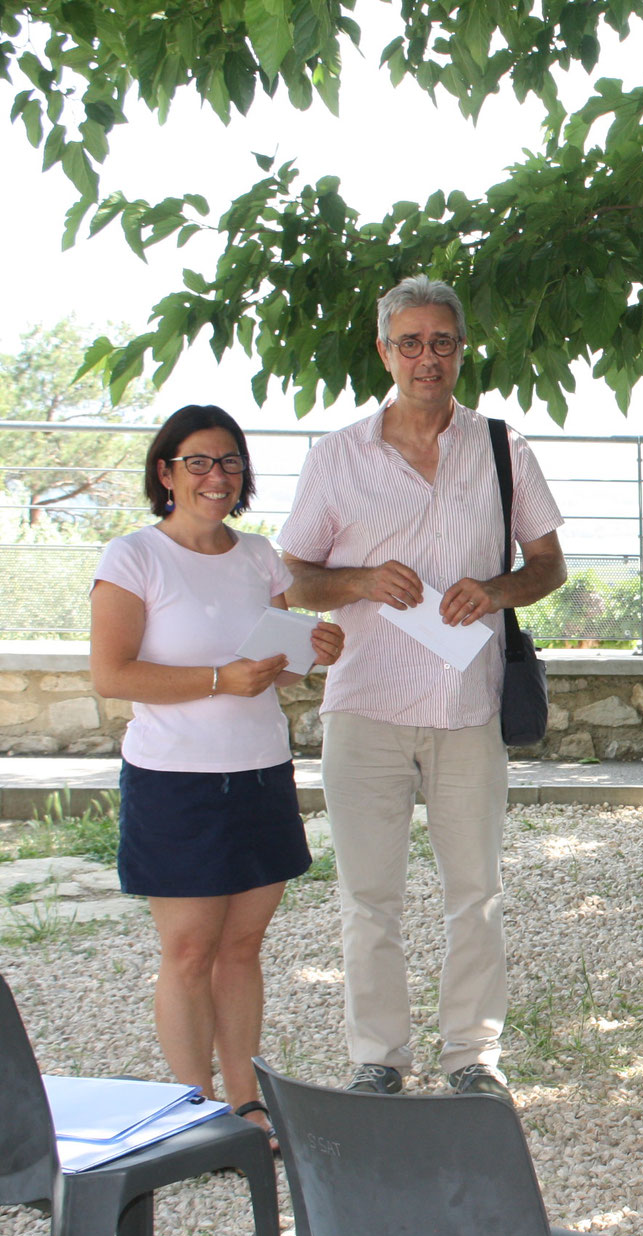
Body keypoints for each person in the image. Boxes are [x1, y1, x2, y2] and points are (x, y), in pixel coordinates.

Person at [279, 276, 566, 1101]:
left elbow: (548, 563)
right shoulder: (337, 456)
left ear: (461, 350)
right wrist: (363, 579)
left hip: (466, 708)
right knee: (369, 896)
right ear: (384, 351)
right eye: (410, 342)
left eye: (441, 341)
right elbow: (294, 577)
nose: (426, 357)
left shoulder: (503, 448)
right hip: (364, 705)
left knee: (475, 893)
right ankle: (378, 1054)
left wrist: (496, 589)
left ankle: (472, 1056)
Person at [89, 405, 345, 1145]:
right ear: (165, 472)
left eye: (229, 461)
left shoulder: (262, 556)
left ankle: (245, 1099)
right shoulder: (133, 556)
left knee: (242, 947)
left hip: (260, 772)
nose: (216, 476)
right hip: (177, 782)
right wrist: (217, 680)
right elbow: (111, 673)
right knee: (190, 950)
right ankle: (191, 1109)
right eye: (198, 461)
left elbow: (275, 670)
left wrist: (311, 648)